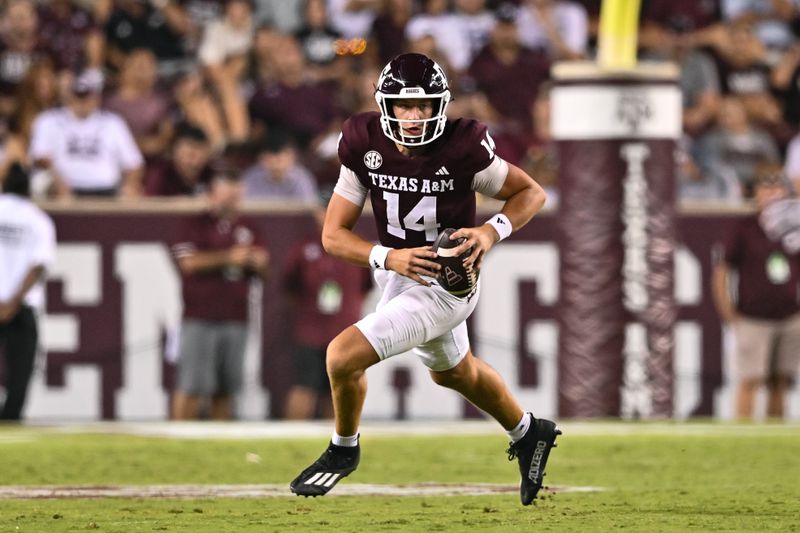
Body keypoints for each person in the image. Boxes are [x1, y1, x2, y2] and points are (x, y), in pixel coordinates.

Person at [289, 53, 559, 506]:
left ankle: (343, 450)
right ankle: (530, 431)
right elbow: (333, 235)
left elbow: (531, 192)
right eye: (403, 106)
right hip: (400, 272)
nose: (414, 117)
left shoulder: (462, 145)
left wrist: (491, 232)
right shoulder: (362, 141)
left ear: (441, 105)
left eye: (424, 106)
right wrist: (387, 257)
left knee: (341, 356)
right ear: (385, 105)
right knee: (455, 373)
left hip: (449, 280)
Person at [170, 170, 270, 420]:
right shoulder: (194, 224)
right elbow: (188, 263)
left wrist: (257, 263)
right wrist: (229, 257)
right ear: (212, 196)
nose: (231, 203)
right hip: (200, 316)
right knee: (192, 386)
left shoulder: (249, 227)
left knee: (226, 389)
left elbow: (266, 273)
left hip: (236, 317)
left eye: (235, 197)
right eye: (226, 197)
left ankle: (220, 439)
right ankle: (177, 438)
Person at [712, 163, 800, 420]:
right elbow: (722, 271)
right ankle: (743, 438)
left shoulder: (794, 226)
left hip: (790, 315)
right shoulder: (744, 227)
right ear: (756, 192)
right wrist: (728, 312)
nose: (772, 193)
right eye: (766, 187)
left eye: (777, 187)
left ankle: (773, 439)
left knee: (780, 382)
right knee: (750, 379)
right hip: (753, 317)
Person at [283, 190, 371, 419]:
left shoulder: (357, 246)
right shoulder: (304, 248)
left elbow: (365, 287)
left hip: (345, 332)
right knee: (304, 388)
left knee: (340, 392)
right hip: (311, 331)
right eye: (325, 209)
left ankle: (335, 445)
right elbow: (289, 287)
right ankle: (291, 438)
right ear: (317, 212)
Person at [28, 69, 145, 199]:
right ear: (69, 95)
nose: (82, 102)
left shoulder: (113, 122)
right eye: (78, 95)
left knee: (133, 193)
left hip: (107, 190)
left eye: (86, 96)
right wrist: (57, 181)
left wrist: (129, 185)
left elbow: (134, 163)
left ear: (97, 97)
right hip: (62, 189)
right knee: (41, 181)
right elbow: (40, 158)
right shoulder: (49, 120)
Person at [0, 163, 56, 420]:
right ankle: (10, 420)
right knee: (19, 375)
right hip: (21, 307)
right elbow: (38, 265)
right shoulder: (38, 219)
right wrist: (12, 302)